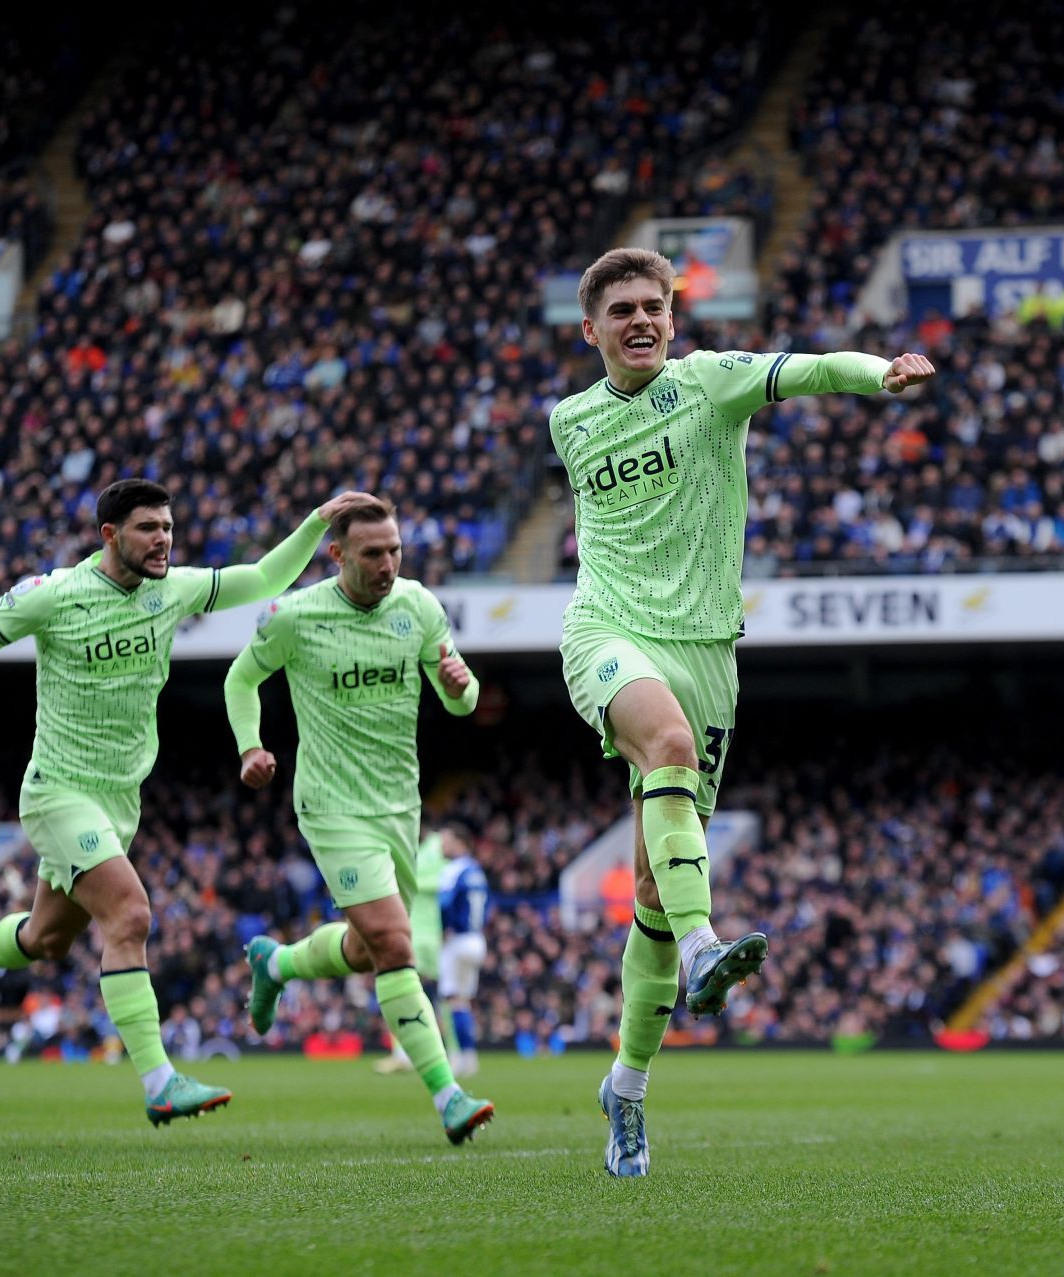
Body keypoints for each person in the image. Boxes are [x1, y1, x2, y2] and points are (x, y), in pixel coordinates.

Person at [551, 246, 935, 1176]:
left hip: (708, 653)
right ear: (591, 329)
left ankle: (628, 1091)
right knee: (668, 746)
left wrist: (874, 374)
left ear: (673, 320)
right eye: (624, 310)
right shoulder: (569, 421)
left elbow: (802, 369)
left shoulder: (710, 384)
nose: (643, 321)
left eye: (657, 306)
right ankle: (704, 944)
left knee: (648, 889)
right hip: (606, 631)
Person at [0, 479, 375, 1126]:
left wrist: (318, 521)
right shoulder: (54, 594)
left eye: (169, 527)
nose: (164, 539)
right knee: (130, 914)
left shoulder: (170, 590)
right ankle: (158, 1080)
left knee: (47, 938)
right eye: (149, 527)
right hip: (58, 793)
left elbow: (262, 578)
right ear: (109, 535)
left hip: (120, 800)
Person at [227, 497, 494, 1145]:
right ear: (337, 553)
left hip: (400, 805)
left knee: (367, 944)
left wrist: (463, 688)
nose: (388, 563)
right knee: (395, 944)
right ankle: (449, 1095)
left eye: (395, 549)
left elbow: (462, 703)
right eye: (372, 552)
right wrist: (250, 745)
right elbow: (241, 678)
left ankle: (278, 965)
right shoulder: (296, 616)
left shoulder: (419, 606)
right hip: (331, 805)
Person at [375, 823, 455, 1076]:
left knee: (400, 989)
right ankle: (453, 1053)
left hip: (418, 937)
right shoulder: (441, 861)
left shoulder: (426, 855)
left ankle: (405, 1055)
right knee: (443, 998)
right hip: (433, 937)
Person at [437, 825, 489, 1079]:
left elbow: (445, 901)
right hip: (476, 938)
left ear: (459, 841)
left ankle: (460, 1059)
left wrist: (445, 928)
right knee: (464, 1001)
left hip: (457, 940)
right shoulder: (477, 871)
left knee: (453, 999)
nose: (441, 846)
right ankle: (470, 1057)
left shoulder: (454, 869)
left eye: (445, 840)